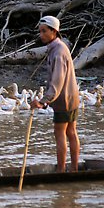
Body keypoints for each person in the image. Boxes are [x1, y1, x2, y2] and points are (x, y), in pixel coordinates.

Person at [30, 16, 80, 172]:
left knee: (60, 133)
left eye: (44, 31)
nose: (41, 35)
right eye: (40, 32)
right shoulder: (59, 47)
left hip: (63, 100)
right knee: (71, 132)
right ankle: (74, 169)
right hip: (72, 98)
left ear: (54, 31)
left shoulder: (58, 52)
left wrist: (43, 101)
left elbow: (56, 83)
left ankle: (61, 170)